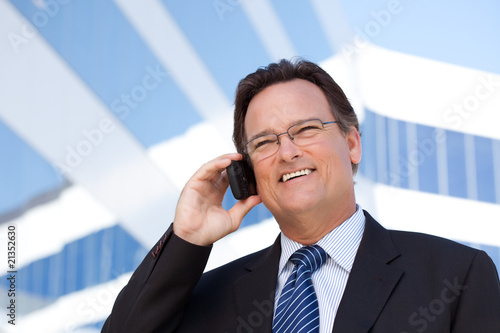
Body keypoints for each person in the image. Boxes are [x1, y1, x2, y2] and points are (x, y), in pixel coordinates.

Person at [102, 59, 500, 333]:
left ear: (352, 144)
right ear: (247, 173)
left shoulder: (456, 276)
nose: (288, 151)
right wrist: (186, 237)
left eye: (306, 129)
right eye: (264, 142)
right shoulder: (207, 297)